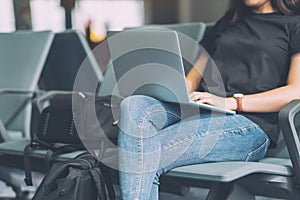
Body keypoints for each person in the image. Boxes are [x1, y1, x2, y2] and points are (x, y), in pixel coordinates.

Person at [117, 0, 300, 199]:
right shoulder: (228, 22)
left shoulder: (294, 24)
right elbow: (192, 80)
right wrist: (167, 91)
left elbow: (295, 91)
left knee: (142, 152)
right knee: (133, 105)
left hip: (249, 123)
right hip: (199, 110)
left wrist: (232, 102)